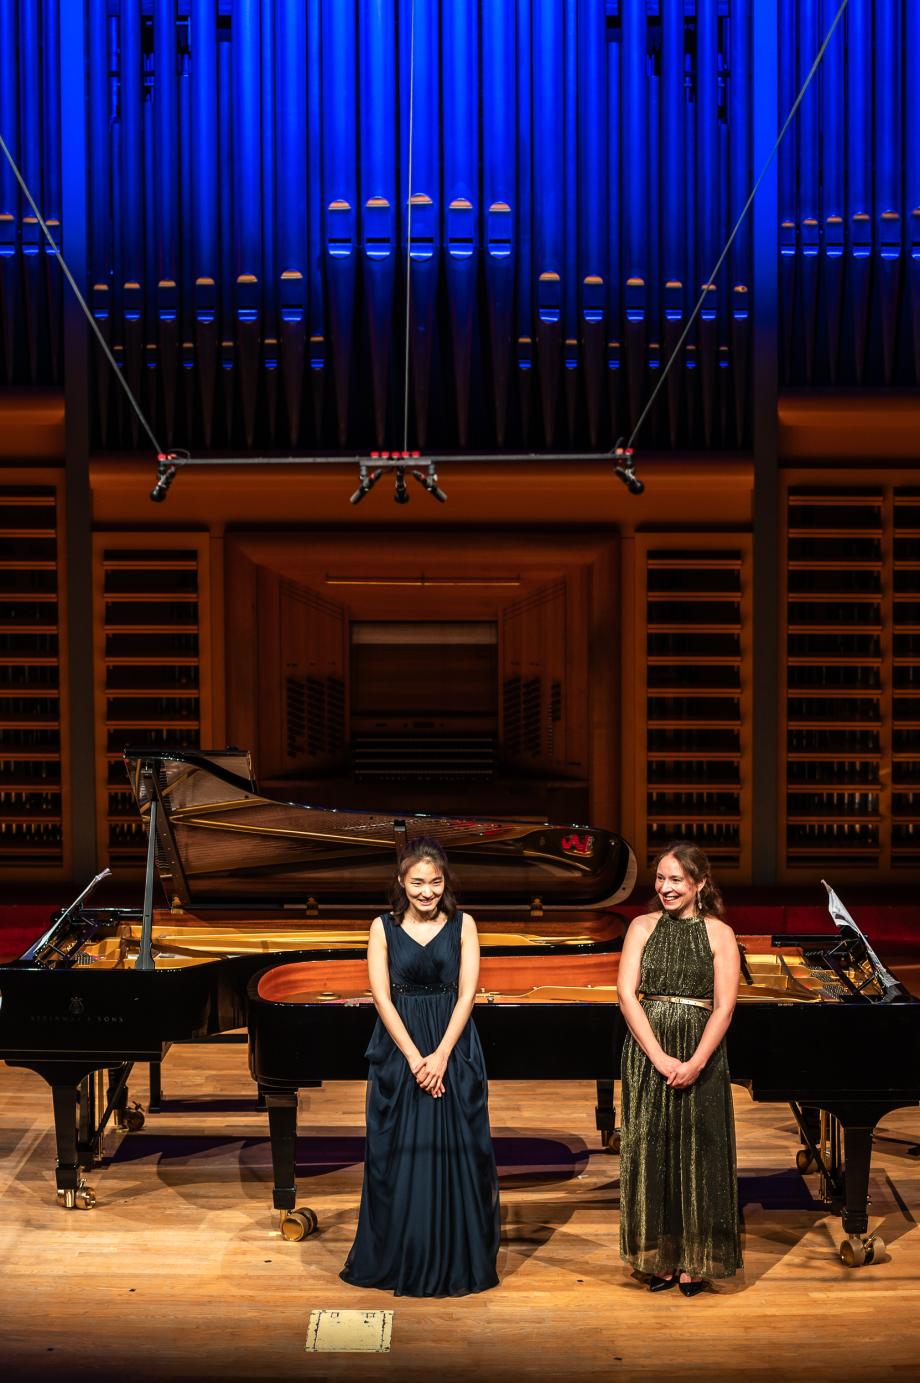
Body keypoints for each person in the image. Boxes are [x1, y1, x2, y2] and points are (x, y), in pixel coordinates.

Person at [340, 836, 500, 1296]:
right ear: (400, 883)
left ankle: (457, 1259)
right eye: (417, 883)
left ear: (444, 881)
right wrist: (415, 1058)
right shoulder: (381, 927)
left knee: (459, 1153)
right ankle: (400, 1256)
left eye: (434, 882)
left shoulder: (465, 924)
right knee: (400, 1155)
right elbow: (381, 996)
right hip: (400, 1049)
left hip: (453, 1045)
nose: (427, 892)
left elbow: (467, 992)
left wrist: (443, 1055)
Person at [617, 841, 742, 1295]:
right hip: (649, 1053)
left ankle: (698, 1258)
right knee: (651, 1154)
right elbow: (627, 996)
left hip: (700, 1054)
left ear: (700, 884)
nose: (665, 888)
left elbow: (724, 1008)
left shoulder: (720, 934)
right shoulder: (641, 926)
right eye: (660, 879)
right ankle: (660, 1258)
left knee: (699, 1155)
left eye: (676, 880)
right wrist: (660, 1057)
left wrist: (695, 1062)